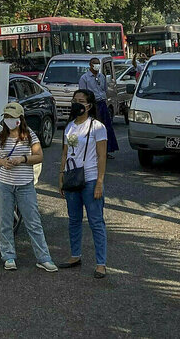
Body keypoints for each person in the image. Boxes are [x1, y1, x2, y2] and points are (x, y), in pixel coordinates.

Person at [0, 102, 57, 272]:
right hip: (4, 184)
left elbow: (39, 156)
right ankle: (8, 256)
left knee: (33, 222)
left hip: (25, 185)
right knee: (4, 222)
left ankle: (44, 258)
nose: (8, 120)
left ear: (20, 119)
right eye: (6, 117)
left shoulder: (30, 136)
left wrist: (23, 159)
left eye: (12, 117)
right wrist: (2, 162)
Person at [58, 89, 108, 278]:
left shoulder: (97, 127)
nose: (76, 104)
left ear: (89, 105)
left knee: (96, 221)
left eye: (81, 101)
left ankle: (101, 263)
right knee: (74, 220)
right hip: (73, 178)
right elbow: (66, 152)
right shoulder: (70, 126)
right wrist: (61, 175)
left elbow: (102, 155)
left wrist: (99, 182)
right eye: (74, 100)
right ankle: (75, 255)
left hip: (91, 178)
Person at [78, 57, 119, 158]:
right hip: (92, 106)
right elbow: (82, 94)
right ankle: (92, 152)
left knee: (105, 128)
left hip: (102, 104)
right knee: (92, 129)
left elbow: (104, 89)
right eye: (95, 64)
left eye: (98, 63)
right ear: (90, 65)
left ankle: (106, 151)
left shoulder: (102, 77)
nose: (97, 66)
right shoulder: (84, 78)